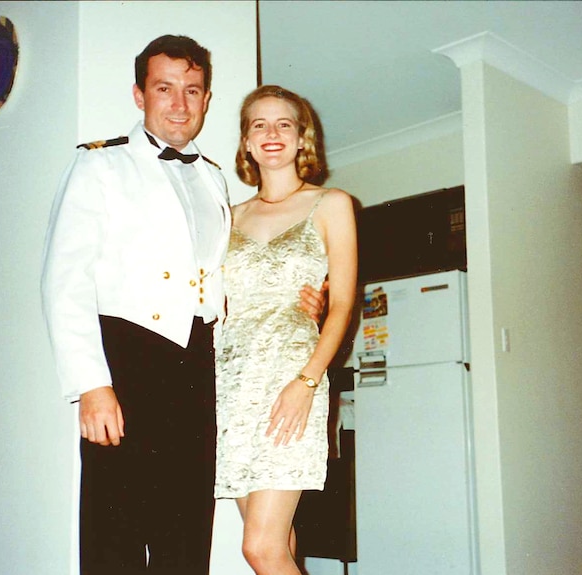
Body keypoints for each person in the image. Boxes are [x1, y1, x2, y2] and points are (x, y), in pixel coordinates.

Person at [41, 37, 324, 574]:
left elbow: (227, 276)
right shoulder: (100, 166)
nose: (178, 103)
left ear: (207, 99)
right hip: (125, 359)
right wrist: (91, 384)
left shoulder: (214, 177)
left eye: (191, 90)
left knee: (185, 536)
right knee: (114, 533)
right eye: (164, 88)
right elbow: (64, 280)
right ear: (139, 94)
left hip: (199, 368)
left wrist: (301, 300)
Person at [214, 85, 357, 575]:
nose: (271, 134)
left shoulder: (331, 203)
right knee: (280, 538)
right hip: (230, 386)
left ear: (302, 139)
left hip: (292, 376)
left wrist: (307, 381)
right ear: (247, 143)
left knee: (260, 548)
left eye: (284, 124)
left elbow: (341, 305)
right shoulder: (226, 218)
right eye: (259, 125)